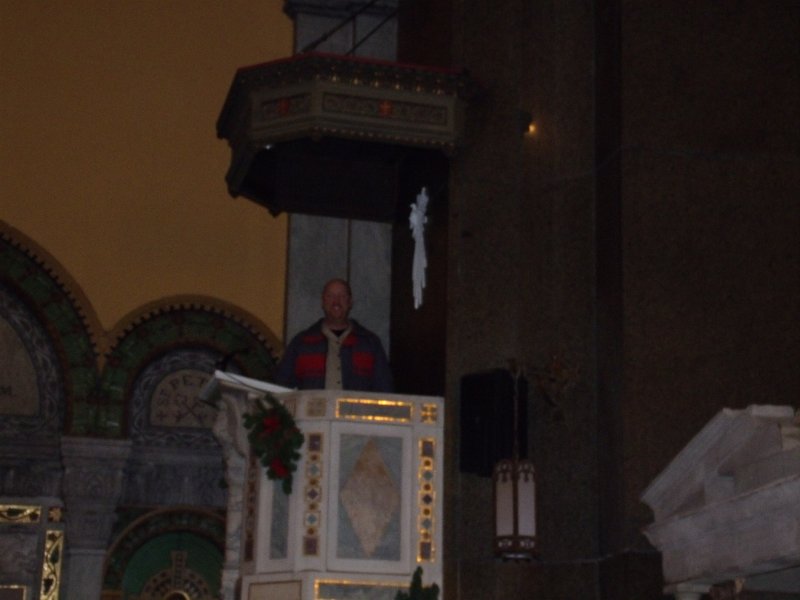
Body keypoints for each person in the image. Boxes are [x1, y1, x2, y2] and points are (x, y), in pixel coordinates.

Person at [275, 278, 393, 392]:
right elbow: (281, 388)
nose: (336, 302)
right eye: (330, 296)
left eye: (342, 296)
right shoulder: (301, 343)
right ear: (323, 302)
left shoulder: (370, 343)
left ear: (350, 302)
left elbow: (384, 389)